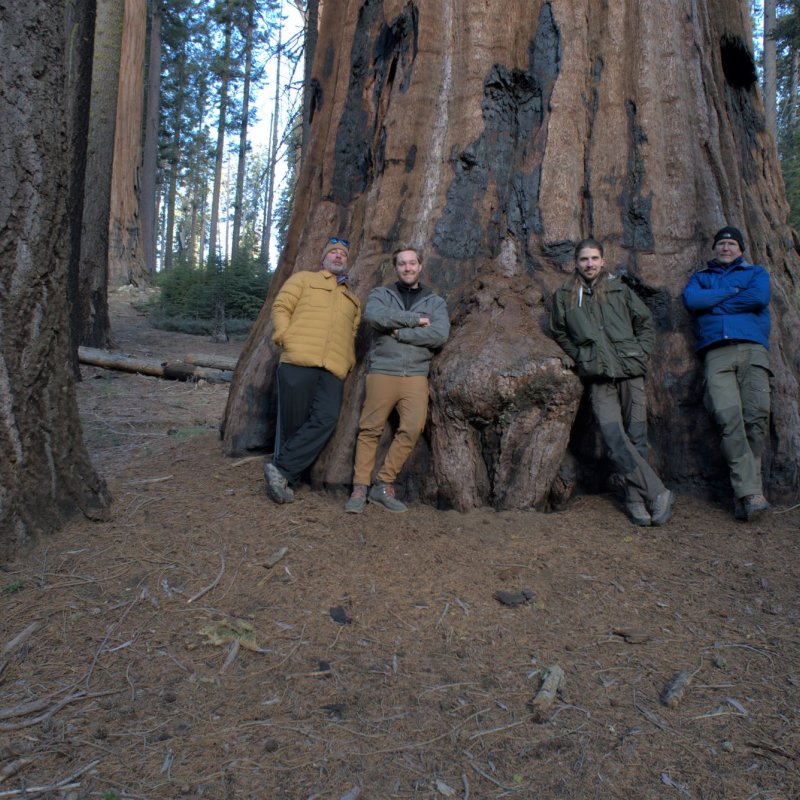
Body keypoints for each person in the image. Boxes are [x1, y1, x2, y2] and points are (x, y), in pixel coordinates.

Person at [550, 238, 675, 526]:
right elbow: (560, 332)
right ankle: (658, 492)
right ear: (576, 263)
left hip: (630, 373)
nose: (590, 264)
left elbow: (644, 322)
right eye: (584, 259)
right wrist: (581, 356)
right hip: (598, 376)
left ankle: (636, 500)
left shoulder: (620, 289)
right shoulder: (565, 295)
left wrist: (640, 353)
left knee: (636, 437)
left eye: (594, 258)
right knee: (613, 437)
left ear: (603, 261)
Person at [344, 246, 450, 513]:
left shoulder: (435, 301)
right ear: (396, 267)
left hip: (415, 374)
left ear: (420, 266)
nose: (407, 268)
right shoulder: (382, 294)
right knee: (370, 429)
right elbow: (375, 317)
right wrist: (416, 320)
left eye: (412, 263)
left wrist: (401, 333)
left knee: (412, 428)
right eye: (402, 263)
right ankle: (359, 487)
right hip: (383, 371)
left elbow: (438, 335)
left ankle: (383, 483)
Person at [682, 226, 771, 522]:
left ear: (741, 249)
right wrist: (733, 294)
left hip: (753, 349)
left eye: (732, 243)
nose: (726, 248)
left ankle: (745, 491)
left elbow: (758, 299)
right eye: (721, 243)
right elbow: (694, 302)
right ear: (714, 249)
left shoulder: (756, 273)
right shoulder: (700, 278)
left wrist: (716, 302)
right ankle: (750, 493)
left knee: (756, 419)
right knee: (728, 419)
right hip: (716, 352)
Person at [263, 237, 361, 504]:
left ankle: (280, 470)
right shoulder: (304, 279)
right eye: (333, 253)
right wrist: (285, 336)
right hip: (298, 360)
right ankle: (285, 478)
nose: (339, 256)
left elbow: (352, 333)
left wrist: (348, 360)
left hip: (333, 368)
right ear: (324, 258)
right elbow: (282, 307)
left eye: (343, 253)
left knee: (326, 418)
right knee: (293, 422)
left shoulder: (352, 299)